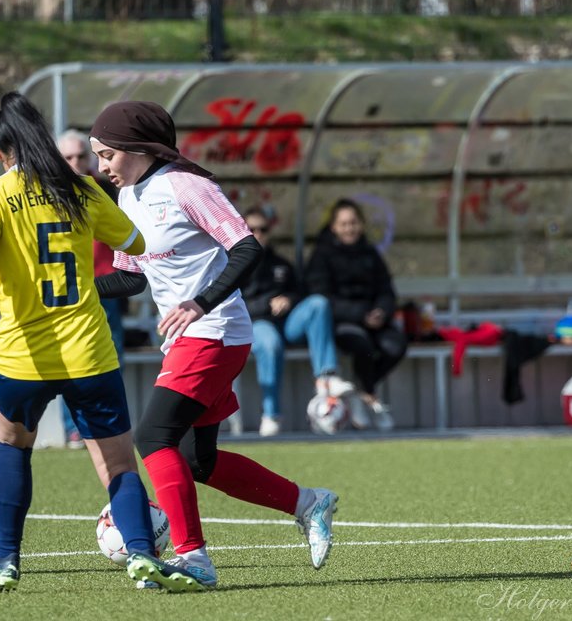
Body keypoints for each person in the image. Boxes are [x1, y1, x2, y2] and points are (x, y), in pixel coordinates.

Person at [0, 92, 194, 594]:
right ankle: (143, 555)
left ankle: (6, 562)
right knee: (120, 463)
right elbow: (136, 243)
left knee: (13, 448)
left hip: (23, 358)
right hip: (89, 351)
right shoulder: (83, 190)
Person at [88, 100, 339, 589]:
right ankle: (309, 503)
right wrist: (70, 291)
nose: (101, 167)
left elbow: (247, 247)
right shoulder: (128, 198)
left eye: (106, 156)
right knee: (199, 461)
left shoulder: (188, 186)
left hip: (216, 330)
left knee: (152, 436)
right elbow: (130, 278)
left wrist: (200, 303)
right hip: (190, 336)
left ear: (137, 148)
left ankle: (192, 557)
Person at [240, 205, 354, 436]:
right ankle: (271, 414)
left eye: (262, 229)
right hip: (256, 323)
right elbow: (232, 304)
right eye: (251, 229)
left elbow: (300, 291)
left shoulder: (280, 263)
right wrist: (267, 305)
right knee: (270, 343)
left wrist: (288, 300)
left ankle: (326, 378)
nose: (258, 234)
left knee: (318, 304)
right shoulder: (235, 262)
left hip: (287, 323)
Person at [305, 198, 408, 431]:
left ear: (361, 224)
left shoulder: (370, 253)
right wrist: (361, 314)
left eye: (353, 223)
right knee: (362, 346)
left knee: (396, 345)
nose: (349, 228)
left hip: (374, 320)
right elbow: (321, 298)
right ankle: (369, 398)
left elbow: (387, 290)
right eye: (344, 224)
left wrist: (381, 311)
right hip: (343, 321)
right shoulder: (322, 255)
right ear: (334, 227)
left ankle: (361, 391)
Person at [56, 129, 126, 450]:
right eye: (68, 157)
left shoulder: (107, 191)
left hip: (106, 286)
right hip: (68, 291)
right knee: (68, 358)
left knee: (111, 356)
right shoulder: (52, 194)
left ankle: (110, 425)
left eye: (81, 156)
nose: (76, 162)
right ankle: (73, 429)